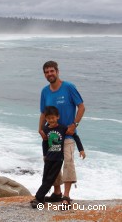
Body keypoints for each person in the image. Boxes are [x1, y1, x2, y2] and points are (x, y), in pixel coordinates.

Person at [39, 60, 86, 206]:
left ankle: (66, 196)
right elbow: (43, 112)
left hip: (68, 135)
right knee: (52, 163)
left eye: (51, 71)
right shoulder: (45, 91)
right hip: (52, 136)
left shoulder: (69, 87)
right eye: (46, 72)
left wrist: (74, 124)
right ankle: (57, 193)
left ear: (57, 72)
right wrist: (40, 129)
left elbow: (81, 107)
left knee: (68, 163)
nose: (49, 74)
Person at [31, 106, 84, 209]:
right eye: (49, 118)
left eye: (53, 118)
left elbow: (75, 136)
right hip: (49, 158)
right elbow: (45, 143)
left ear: (58, 117)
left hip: (58, 159)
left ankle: (38, 197)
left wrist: (81, 149)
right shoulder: (45, 129)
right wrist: (44, 155)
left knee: (50, 179)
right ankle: (41, 199)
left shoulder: (63, 128)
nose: (51, 120)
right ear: (46, 119)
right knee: (45, 178)